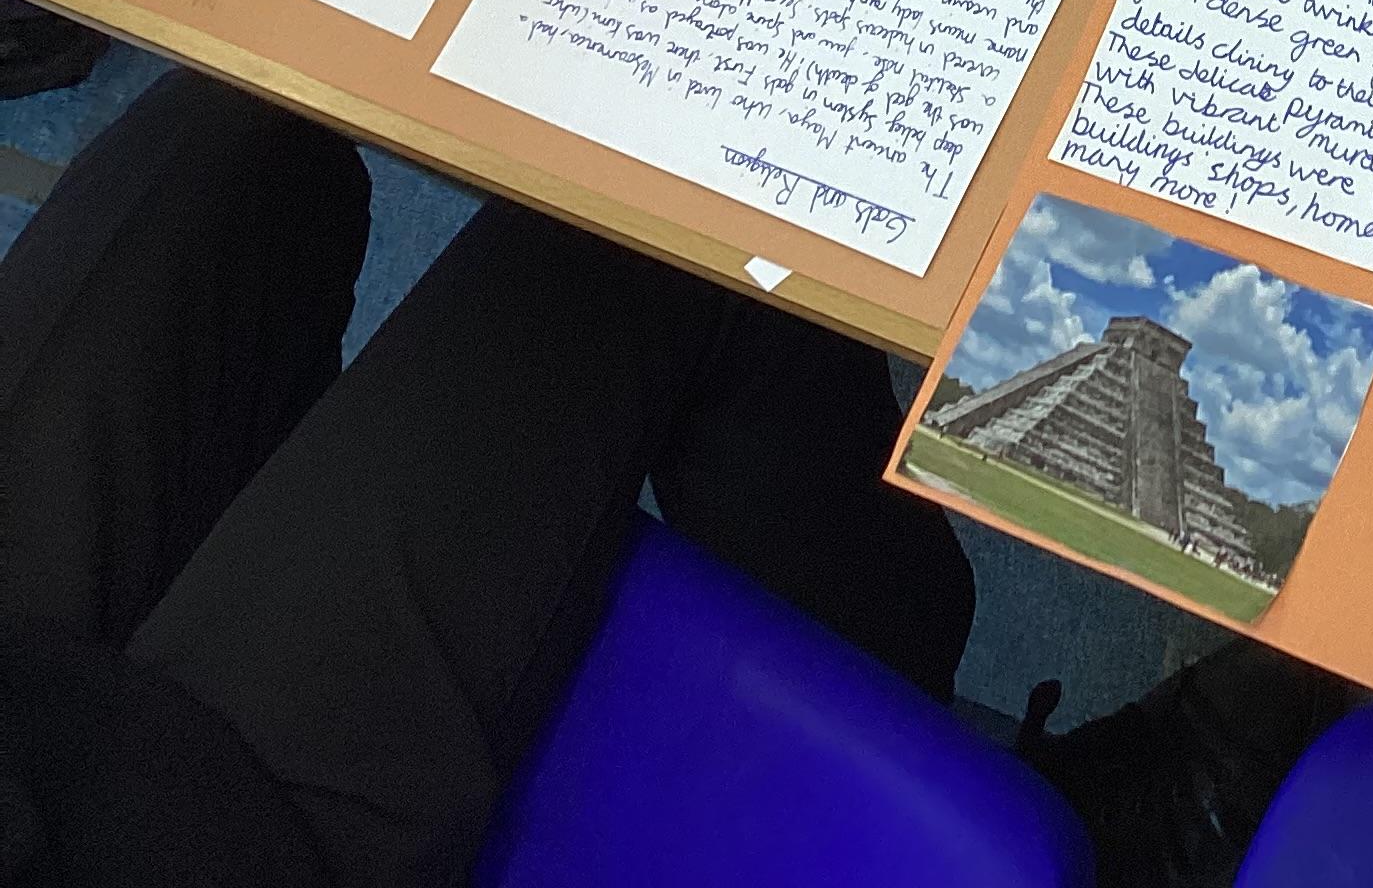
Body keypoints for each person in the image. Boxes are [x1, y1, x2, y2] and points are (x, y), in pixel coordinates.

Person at [0, 68, 975, 887]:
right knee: (665, 213)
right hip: (195, 847)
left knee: (238, 116)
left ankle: (270, 529)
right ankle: (891, 663)